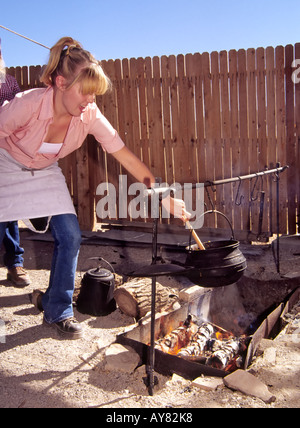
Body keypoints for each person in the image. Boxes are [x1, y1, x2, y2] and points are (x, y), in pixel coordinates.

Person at [0, 36, 190, 340]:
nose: (90, 101)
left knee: (70, 234)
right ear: (60, 83)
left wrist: (163, 196)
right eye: (84, 92)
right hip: (6, 162)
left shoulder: (89, 115)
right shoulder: (28, 104)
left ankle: (58, 310)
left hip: (44, 170)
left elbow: (125, 155)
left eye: (95, 94)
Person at [0, 42, 31, 287]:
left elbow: (20, 119)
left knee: (8, 210)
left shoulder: (8, 83)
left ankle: (14, 263)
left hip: (5, 153)